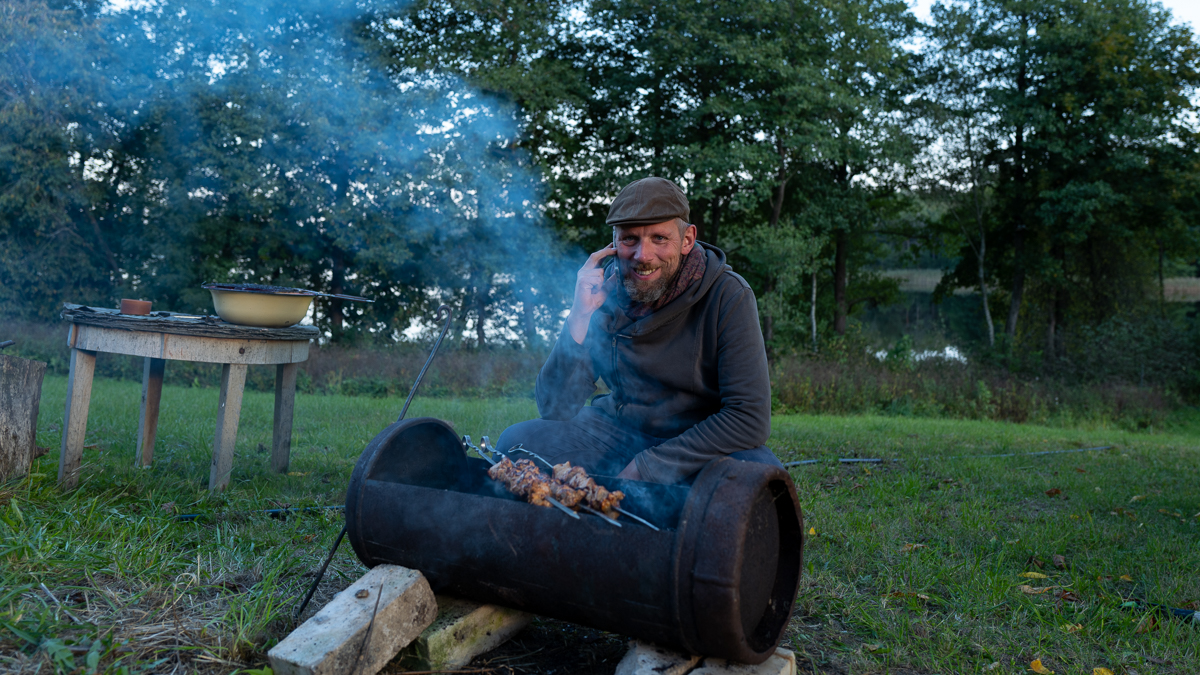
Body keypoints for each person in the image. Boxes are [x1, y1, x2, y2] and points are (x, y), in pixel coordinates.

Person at [496, 177, 780, 484]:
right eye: (630, 239)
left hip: (695, 443)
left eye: (659, 238)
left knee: (756, 472)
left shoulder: (728, 294)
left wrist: (649, 467)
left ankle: (643, 491)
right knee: (517, 443)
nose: (643, 255)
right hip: (617, 434)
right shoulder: (604, 292)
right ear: (614, 243)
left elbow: (748, 417)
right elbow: (555, 408)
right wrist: (580, 315)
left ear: (687, 239)